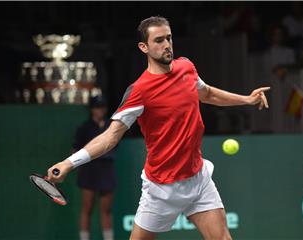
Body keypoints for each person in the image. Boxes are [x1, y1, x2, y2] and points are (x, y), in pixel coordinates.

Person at [47, 16, 270, 240]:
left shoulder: (187, 68)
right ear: (144, 47)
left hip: (197, 178)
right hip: (161, 188)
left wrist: (247, 99)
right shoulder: (139, 91)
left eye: (169, 38)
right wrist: (69, 163)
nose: (166, 45)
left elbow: (208, 93)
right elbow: (110, 137)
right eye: (159, 40)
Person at [73, 96, 116, 240]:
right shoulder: (84, 128)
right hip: (89, 172)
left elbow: (115, 145)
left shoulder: (111, 126)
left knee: (106, 210)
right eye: (97, 107)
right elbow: (75, 152)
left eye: (103, 107)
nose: (100, 110)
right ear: (92, 109)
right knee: (87, 208)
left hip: (106, 171)